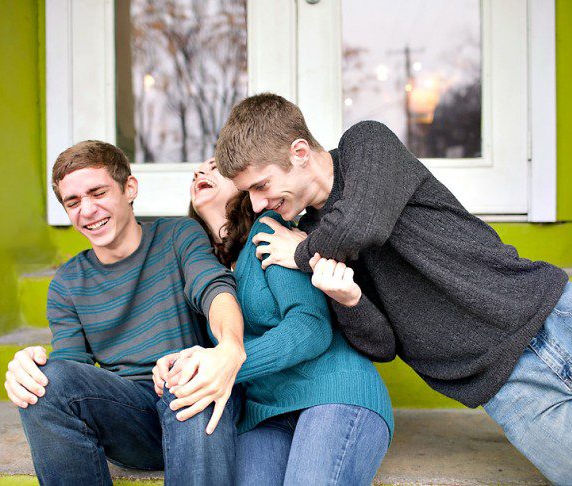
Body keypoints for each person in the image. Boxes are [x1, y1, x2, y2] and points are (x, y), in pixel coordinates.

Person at [211, 93, 572, 485]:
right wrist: (347, 300)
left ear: (299, 152)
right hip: (509, 389)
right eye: (248, 193)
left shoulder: (365, 146)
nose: (256, 204)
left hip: (559, 318)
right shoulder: (314, 238)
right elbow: (382, 344)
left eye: (261, 185)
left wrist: (304, 253)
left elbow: (362, 223)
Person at [3, 141, 246, 485]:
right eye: (73, 202)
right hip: (131, 419)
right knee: (45, 381)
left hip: (196, 407)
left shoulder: (177, 235)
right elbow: (74, 372)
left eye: (97, 192)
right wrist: (32, 372)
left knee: (187, 373)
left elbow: (214, 290)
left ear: (129, 188)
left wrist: (229, 346)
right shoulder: (68, 283)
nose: (87, 210)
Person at [153, 158, 394, 485]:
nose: (199, 173)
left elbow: (310, 328)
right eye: (196, 171)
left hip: (333, 390)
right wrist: (176, 364)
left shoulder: (268, 230)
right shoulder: (204, 274)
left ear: (243, 186)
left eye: (213, 167)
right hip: (264, 415)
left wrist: (227, 364)